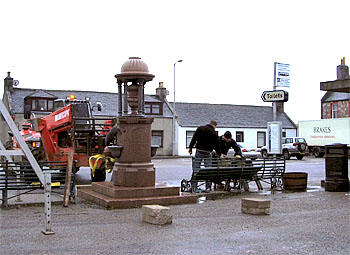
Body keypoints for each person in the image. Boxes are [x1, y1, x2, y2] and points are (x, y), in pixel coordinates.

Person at [188, 120, 218, 192]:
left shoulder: (200, 128)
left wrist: (190, 147)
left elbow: (194, 138)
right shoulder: (214, 132)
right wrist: (217, 152)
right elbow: (216, 144)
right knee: (208, 169)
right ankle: (208, 187)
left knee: (196, 168)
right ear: (215, 125)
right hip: (208, 152)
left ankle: (194, 186)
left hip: (199, 151)